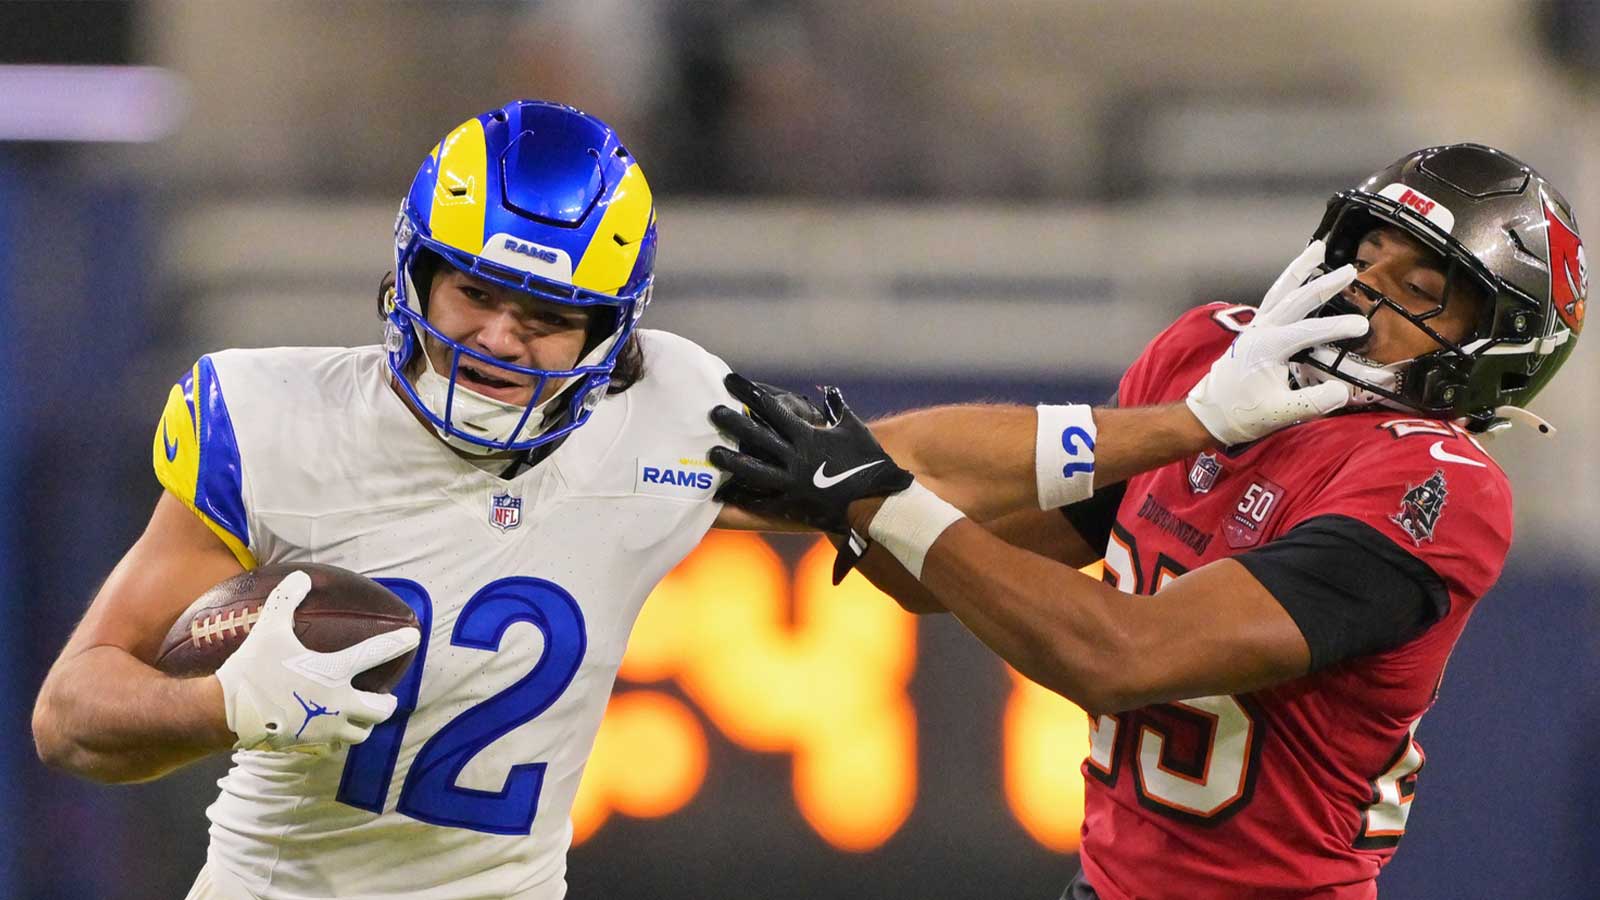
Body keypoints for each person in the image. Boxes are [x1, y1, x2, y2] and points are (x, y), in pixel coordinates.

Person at [28, 99, 1340, 900]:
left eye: (549, 315)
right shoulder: (264, 419)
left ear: (615, 334)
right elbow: (72, 713)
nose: (496, 338)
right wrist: (227, 704)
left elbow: (896, 461)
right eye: (474, 291)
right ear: (412, 274)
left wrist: (1194, 424)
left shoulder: (662, 411)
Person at [709, 143, 1585, 899]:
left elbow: (1121, 656)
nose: (1361, 292)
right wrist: (853, 502)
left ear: (1494, 349)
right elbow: (922, 573)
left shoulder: (1436, 485)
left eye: (1420, 290)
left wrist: (879, 498)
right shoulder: (1210, 357)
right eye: (1366, 254)